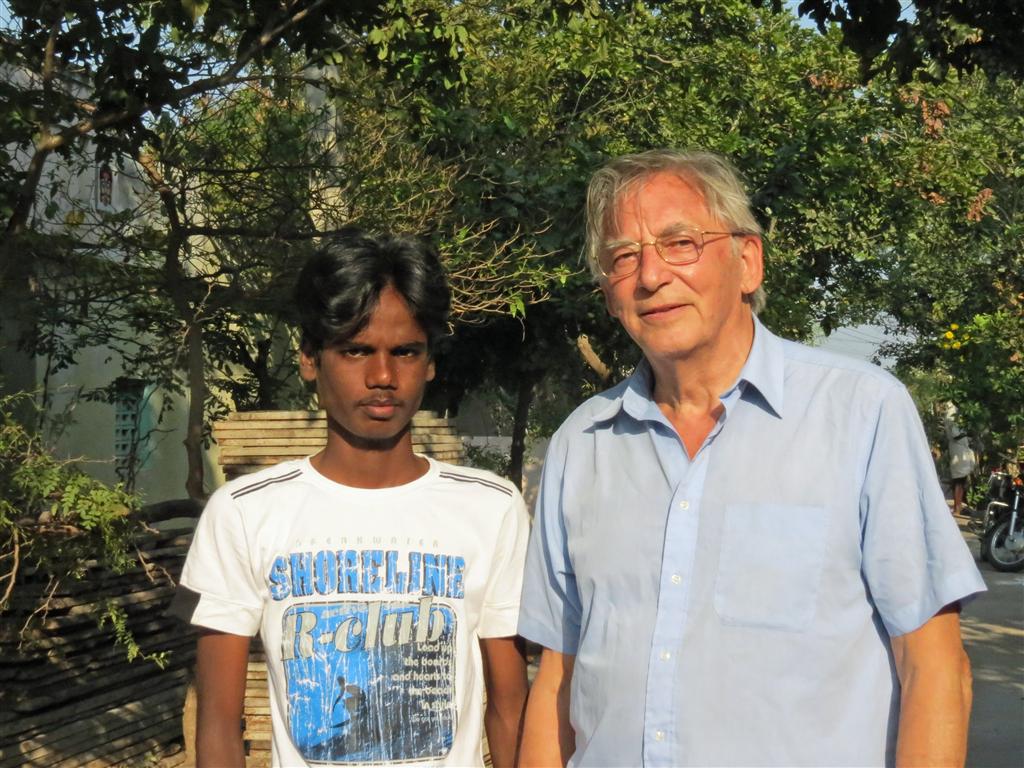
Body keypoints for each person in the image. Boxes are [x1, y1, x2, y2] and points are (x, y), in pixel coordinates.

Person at [517, 150, 986, 767]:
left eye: (680, 243)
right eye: (623, 256)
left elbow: (934, 667)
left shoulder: (860, 413)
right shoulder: (582, 443)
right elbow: (558, 676)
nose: (650, 276)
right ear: (608, 294)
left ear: (747, 262)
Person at [169, 230, 529, 767]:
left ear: (430, 362)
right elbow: (220, 723)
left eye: (405, 352)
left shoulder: (491, 509)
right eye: (355, 351)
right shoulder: (244, 512)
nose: (383, 376)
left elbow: (511, 710)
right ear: (310, 359)